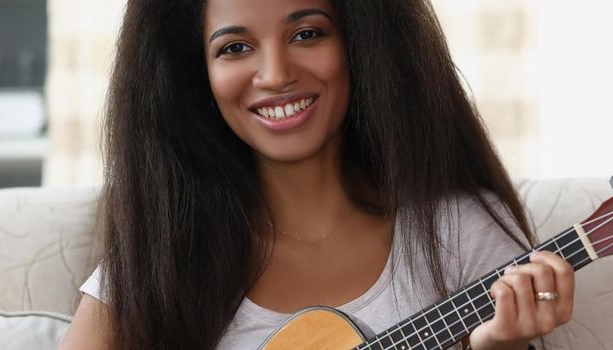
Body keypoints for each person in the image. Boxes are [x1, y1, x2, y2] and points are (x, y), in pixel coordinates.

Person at [59, 0, 575, 349]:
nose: (277, 74)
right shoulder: (160, 256)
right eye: (235, 48)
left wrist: (497, 347)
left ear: (360, 45)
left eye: (307, 33)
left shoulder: (461, 232)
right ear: (197, 76)